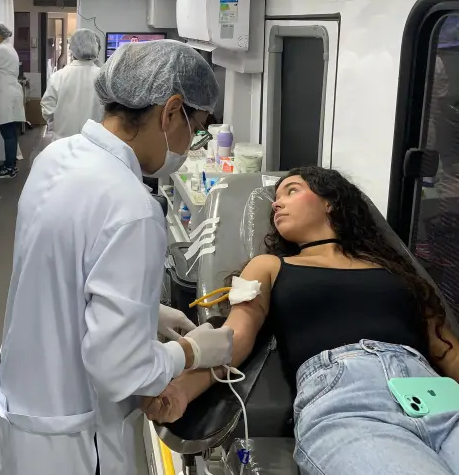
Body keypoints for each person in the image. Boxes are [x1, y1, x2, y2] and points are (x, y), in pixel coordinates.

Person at [0, 40, 234, 475]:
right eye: (195, 129)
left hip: (21, 402)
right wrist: (191, 352)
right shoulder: (133, 209)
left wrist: (146, 313)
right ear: (171, 111)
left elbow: (61, 273)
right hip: (73, 440)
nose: (189, 146)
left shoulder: (57, 156)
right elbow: (119, 369)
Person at [143, 167, 459, 475]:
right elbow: (234, 339)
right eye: (275, 199)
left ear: (330, 201)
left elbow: (447, 352)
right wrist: (181, 389)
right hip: (349, 406)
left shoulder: (395, 270)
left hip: (438, 396)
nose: (276, 204)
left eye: (291, 191)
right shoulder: (268, 267)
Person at [40, 29, 104, 140]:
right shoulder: (103, 77)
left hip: (63, 140)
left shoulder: (58, 76)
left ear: (71, 48)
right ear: (95, 47)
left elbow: (47, 110)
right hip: (95, 141)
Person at [0, 22, 26, 179]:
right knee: (11, 132)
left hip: (6, 95)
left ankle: (9, 168)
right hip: (12, 93)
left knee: (7, 132)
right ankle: (10, 164)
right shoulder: (9, 49)